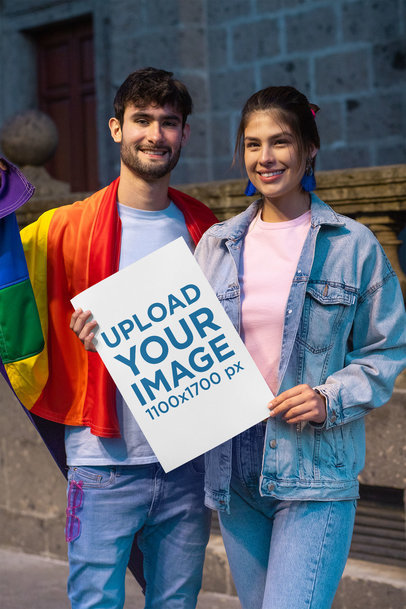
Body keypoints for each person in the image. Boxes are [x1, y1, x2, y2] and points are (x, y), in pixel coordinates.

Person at [0, 67, 218, 609]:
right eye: (142, 120)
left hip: (185, 461)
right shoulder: (61, 229)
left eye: (169, 123)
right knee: (95, 602)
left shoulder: (206, 228)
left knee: (178, 601)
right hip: (102, 459)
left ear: (185, 134)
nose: (155, 134)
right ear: (117, 128)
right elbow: (11, 291)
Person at [194, 86, 406, 609]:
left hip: (313, 470)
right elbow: (189, 342)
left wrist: (329, 397)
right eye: (252, 144)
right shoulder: (216, 245)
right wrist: (108, 332)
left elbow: (387, 348)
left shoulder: (352, 244)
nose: (265, 158)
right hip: (236, 469)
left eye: (280, 142)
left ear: (309, 148)